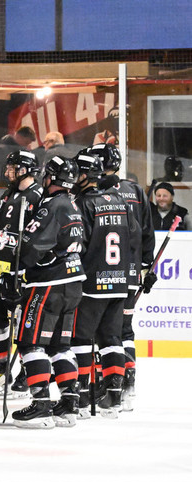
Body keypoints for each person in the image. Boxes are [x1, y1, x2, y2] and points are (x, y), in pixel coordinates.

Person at [5, 156, 86, 428]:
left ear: (50, 177)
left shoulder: (51, 206)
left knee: (30, 342)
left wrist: (14, 272)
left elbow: (30, 246)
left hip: (48, 285)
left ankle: (41, 404)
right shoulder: (74, 204)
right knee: (59, 345)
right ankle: (69, 403)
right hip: (74, 283)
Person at [71, 152, 140, 419]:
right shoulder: (121, 201)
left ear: (87, 175)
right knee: (111, 339)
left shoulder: (83, 203)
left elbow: (79, 243)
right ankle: (114, 396)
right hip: (119, 281)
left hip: (92, 282)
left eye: (78, 172)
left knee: (81, 339)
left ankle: (82, 395)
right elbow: (132, 237)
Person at [90, 143, 154, 412]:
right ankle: (128, 385)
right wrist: (147, 267)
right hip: (128, 273)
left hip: (101, 272)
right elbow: (147, 231)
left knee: (100, 331)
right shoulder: (135, 191)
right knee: (123, 330)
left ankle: (105, 383)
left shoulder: (94, 192)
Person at [0, 150, 44, 398]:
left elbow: (40, 240)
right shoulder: (8, 195)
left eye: (12, 169)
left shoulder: (39, 197)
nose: (6, 173)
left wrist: (25, 269)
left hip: (22, 275)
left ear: (25, 169)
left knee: (24, 324)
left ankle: (27, 370)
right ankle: (2, 369)